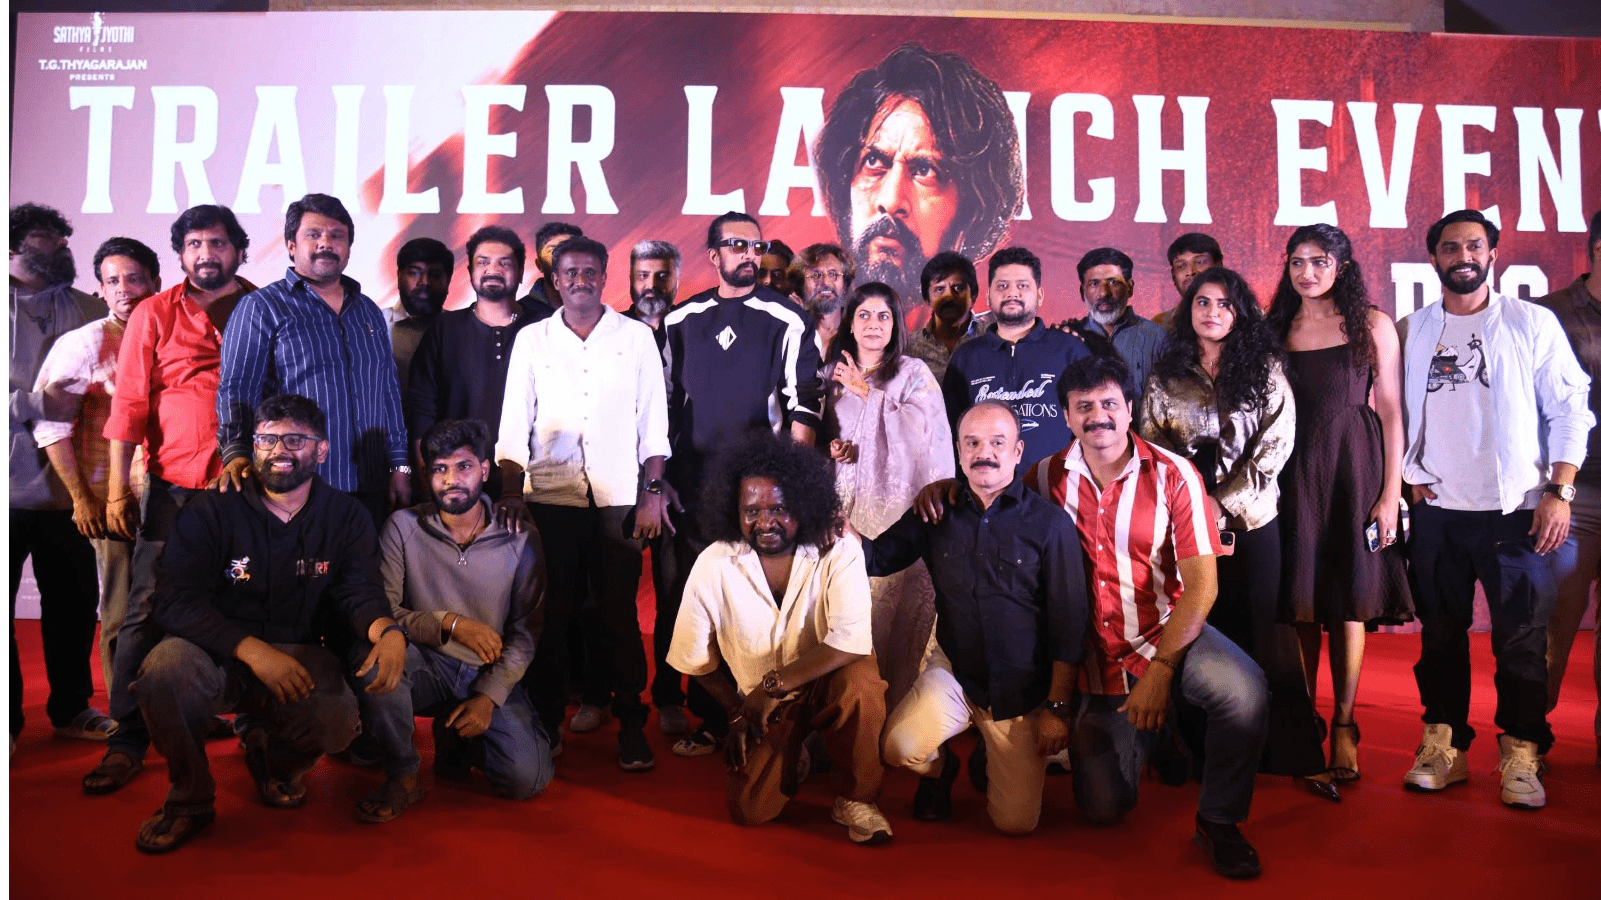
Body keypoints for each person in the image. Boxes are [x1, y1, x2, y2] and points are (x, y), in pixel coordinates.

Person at [131, 394, 408, 853]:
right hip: (217, 652)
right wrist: (251, 650)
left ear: (322, 450)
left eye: (295, 440)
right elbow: (173, 601)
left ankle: (275, 764)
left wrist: (389, 631)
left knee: (338, 718)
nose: (279, 451)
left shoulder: (346, 516)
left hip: (299, 653)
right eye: (267, 439)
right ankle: (190, 800)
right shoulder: (211, 509)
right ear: (253, 446)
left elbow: (359, 593)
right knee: (161, 674)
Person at [1033, 353, 1268, 878]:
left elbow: (1203, 585)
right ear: (1066, 417)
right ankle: (1160, 736)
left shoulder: (1173, 474)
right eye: (1083, 406)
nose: (1098, 416)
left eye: (1109, 404)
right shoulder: (1044, 477)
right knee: (1102, 808)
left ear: (1130, 408)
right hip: (1096, 659)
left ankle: (1219, 820)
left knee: (1244, 691)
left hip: (1168, 634)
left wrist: (1161, 672)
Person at [1399, 209, 1592, 809]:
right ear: (1434, 258)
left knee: (1522, 640)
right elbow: (1390, 413)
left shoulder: (1530, 322)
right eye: (1450, 247)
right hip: (1438, 513)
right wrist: (1407, 478)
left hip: (1516, 512)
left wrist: (1559, 491)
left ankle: (1522, 752)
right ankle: (1443, 745)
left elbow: (1570, 408)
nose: (1463, 256)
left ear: (1492, 254)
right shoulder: (1412, 330)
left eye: (1474, 246)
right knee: (1440, 637)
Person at [83, 204, 257, 794]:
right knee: (143, 609)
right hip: (174, 489)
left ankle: (252, 729)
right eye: (195, 244)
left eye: (218, 243)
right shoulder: (154, 313)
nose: (207, 254)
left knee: (247, 604)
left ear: (239, 249)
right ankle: (127, 740)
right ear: (180, 255)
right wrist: (115, 491)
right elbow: (129, 404)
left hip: (247, 490)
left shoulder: (265, 307)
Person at [1140, 267, 1327, 797]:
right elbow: (1152, 445)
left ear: (1240, 312)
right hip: (1183, 527)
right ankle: (1199, 751)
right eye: (1203, 302)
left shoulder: (1265, 369)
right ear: (1189, 311)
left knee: (1267, 634)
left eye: (1225, 304)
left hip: (1252, 522)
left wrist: (1220, 506)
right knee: (1199, 632)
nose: (1213, 312)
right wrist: (1189, 506)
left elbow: (1275, 447)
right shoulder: (1166, 375)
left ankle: (1287, 755)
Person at [866, 402, 1085, 832]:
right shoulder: (935, 511)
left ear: (1018, 451)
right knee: (898, 748)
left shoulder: (1050, 525)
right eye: (973, 443)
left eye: (998, 443)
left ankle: (991, 751)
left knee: (1016, 824)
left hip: (1021, 693)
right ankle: (942, 767)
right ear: (959, 450)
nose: (985, 453)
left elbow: (1069, 625)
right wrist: (836, 530)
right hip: (957, 674)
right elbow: (877, 558)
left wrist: (1057, 709)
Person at [666, 435, 892, 844]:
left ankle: (857, 798)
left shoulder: (838, 550)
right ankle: (804, 750)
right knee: (750, 809)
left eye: (779, 509)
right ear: (734, 511)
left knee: (859, 681)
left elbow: (849, 641)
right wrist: (737, 713)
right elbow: (693, 658)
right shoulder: (713, 563)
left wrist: (774, 685)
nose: (765, 522)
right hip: (764, 705)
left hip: (827, 681)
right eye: (751, 511)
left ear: (803, 505)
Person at [498, 236, 669, 771]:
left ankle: (632, 725)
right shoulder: (532, 340)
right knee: (552, 617)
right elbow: (514, 422)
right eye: (569, 272)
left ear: (604, 276)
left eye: (589, 272)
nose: (579, 281)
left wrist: (652, 494)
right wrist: (511, 492)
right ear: (555, 280)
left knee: (618, 616)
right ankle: (546, 725)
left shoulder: (636, 338)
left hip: (618, 498)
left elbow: (653, 424)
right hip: (550, 497)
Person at [656, 212, 824, 754]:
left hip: (759, 496)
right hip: (692, 486)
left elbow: (803, 406)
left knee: (752, 605)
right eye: (736, 245)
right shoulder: (681, 320)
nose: (749, 254)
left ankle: (760, 716)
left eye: (756, 246)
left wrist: (790, 492)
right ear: (713, 255)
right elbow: (661, 408)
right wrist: (660, 480)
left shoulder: (787, 318)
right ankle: (702, 712)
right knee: (690, 599)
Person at [1266, 223, 1412, 789]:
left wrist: (1391, 492)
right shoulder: (1276, 328)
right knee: (1300, 602)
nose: (1307, 273)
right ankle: (1306, 720)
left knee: (1350, 598)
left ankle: (1345, 723)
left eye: (1320, 261)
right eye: (1297, 262)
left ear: (1342, 267)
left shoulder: (1371, 324)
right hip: (1292, 470)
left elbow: (1392, 409)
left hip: (1355, 466)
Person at [354, 418, 550, 822]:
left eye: (463, 467)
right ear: (426, 475)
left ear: (485, 469)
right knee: (374, 660)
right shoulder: (403, 527)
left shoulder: (519, 536)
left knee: (526, 780)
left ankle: (458, 736)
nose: (451, 480)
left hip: (486, 669)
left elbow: (526, 633)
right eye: (439, 469)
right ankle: (403, 775)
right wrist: (450, 623)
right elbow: (384, 611)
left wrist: (488, 696)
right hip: (426, 662)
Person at [216, 193, 411, 525]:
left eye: (337, 236)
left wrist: (400, 465)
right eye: (314, 234)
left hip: (370, 485)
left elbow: (388, 393)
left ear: (349, 247)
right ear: (291, 245)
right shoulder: (262, 308)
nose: (326, 243)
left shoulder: (368, 311)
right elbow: (237, 389)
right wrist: (236, 453)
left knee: (365, 561)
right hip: (295, 486)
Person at [33, 237, 160, 694]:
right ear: (100, 290)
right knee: (123, 611)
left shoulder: (171, 334)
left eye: (134, 278)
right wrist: (82, 499)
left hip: (170, 494)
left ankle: (171, 711)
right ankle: (127, 715)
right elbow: (50, 427)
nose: (124, 289)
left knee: (173, 607)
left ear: (155, 282)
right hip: (114, 500)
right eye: (113, 281)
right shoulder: (84, 343)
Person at [10, 202, 112, 748]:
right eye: (47, 236)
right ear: (13, 246)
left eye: (63, 235)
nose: (62, 244)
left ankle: (72, 709)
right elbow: (47, 399)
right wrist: (33, 402)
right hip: (6, 491)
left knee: (73, 606)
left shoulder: (86, 306)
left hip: (71, 492)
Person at [823, 282, 953, 706]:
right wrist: (833, 449)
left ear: (896, 325)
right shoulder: (830, 374)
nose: (873, 324)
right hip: (841, 512)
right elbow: (813, 432)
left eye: (883, 316)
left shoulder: (913, 373)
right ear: (850, 323)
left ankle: (892, 714)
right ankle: (840, 714)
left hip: (894, 519)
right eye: (864, 315)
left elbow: (926, 435)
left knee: (891, 620)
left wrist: (867, 393)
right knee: (840, 615)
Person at [813, 44, 1024, 305]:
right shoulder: (804, 325)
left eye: (924, 171)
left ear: (971, 211)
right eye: (874, 161)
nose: (891, 201)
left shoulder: (984, 333)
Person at [406, 226, 549, 499]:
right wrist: (426, 479)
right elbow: (422, 407)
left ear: (521, 273)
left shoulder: (544, 329)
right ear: (470, 271)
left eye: (504, 263)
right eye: (483, 262)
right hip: (458, 483)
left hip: (534, 484)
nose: (492, 270)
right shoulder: (444, 329)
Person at [1534, 209, 1601, 767]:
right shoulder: (1550, 314)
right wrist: (1555, 489)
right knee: (1553, 625)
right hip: (1574, 492)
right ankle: (1527, 739)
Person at [943, 246, 1089, 473]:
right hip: (986, 486)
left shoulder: (1070, 350)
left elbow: (1089, 424)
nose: (1012, 293)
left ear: (1039, 295)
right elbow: (949, 433)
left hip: (1057, 485)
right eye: (1002, 286)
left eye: (1023, 286)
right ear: (988, 296)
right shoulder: (966, 358)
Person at [1067, 247, 1167, 403]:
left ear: (1130, 287)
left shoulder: (1158, 338)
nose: (1103, 293)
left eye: (1113, 282)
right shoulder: (1068, 337)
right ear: (1082, 292)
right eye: (1094, 284)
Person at [902, 251, 987, 383]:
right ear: (927, 300)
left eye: (958, 288)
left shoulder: (994, 339)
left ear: (973, 295)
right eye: (939, 289)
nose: (949, 296)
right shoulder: (909, 348)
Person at [389, 237, 453, 394]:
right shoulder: (375, 325)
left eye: (435, 275)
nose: (425, 282)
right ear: (399, 276)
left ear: (448, 281)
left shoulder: (461, 330)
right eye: (414, 273)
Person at [796, 242, 854, 364]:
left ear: (845, 284)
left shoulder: (858, 333)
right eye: (816, 275)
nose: (825, 282)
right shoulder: (790, 331)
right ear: (802, 285)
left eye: (833, 274)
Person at [1154, 233, 1224, 328]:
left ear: (1219, 266)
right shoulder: (1159, 325)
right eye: (1181, 266)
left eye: (1199, 262)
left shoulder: (1240, 317)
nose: (1190, 271)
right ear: (1173, 276)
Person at [626, 239, 679, 355]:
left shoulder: (693, 327)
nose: (651, 284)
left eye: (662, 276)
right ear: (631, 281)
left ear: (676, 282)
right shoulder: (610, 329)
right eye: (643, 275)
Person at [523, 221, 582, 313]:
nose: (562, 256)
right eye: (553, 250)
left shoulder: (598, 312)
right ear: (539, 264)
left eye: (570, 249)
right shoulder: (519, 314)